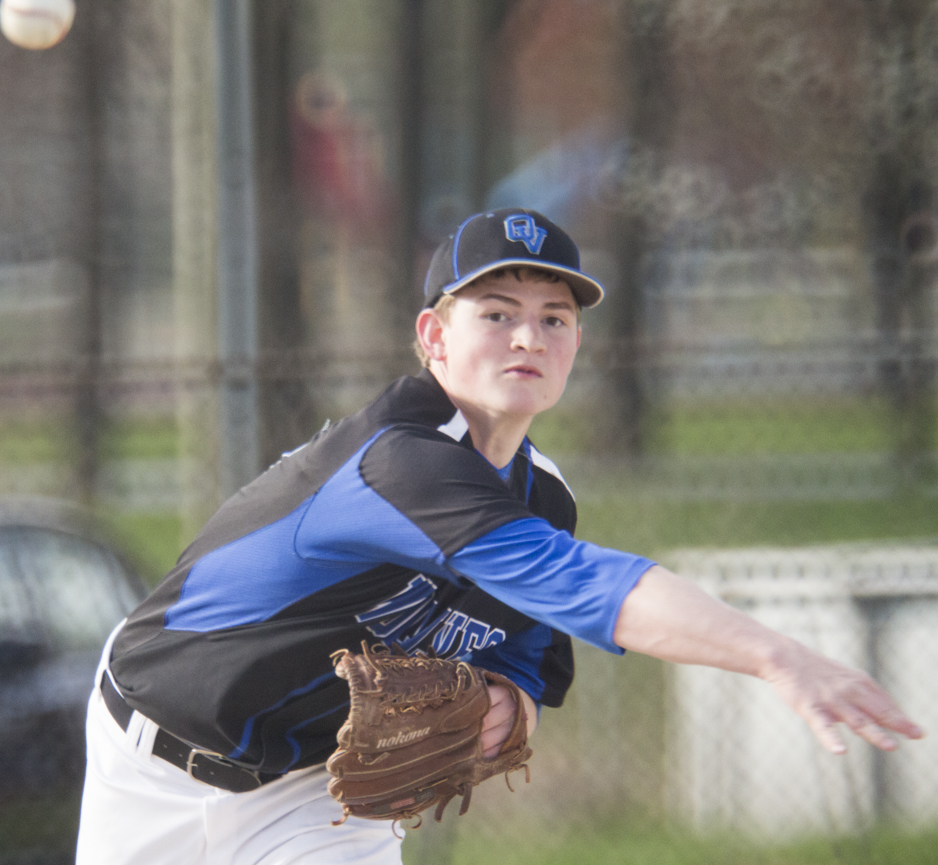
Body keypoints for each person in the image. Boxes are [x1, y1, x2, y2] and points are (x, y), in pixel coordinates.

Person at [76, 208, 924, 865]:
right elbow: (599, 589)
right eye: (497, 311)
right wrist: (775, 653)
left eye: (556, 318)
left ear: (577, 345)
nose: (529, 336)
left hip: (312, 795)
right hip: (149, 760)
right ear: (434, 337)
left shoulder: (544, 499)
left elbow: (524, 653)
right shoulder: (397, 463)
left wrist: (501, 706)